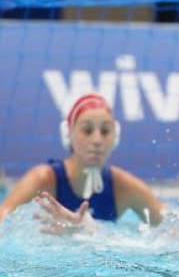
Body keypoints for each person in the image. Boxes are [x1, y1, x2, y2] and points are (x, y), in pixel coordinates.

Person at [0, 93, 165, 233]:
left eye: (105, 131)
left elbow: (173, 229)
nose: (97, 140)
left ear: (115, 137)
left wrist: (86, 233)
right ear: (68, 134)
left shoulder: (124, 188)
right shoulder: (43, 180)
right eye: (87, 130)